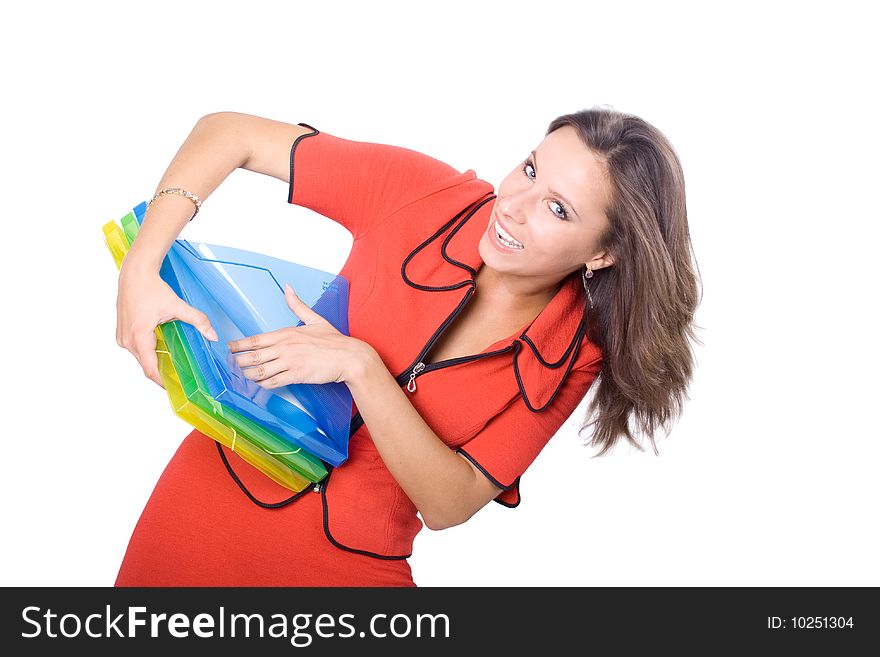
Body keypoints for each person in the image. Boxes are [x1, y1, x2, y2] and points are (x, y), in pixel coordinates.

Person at [113, 107, 701, 586]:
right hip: (205, 509)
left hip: (351, 568)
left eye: (557, 209)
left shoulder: (576, 352)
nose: (514, 209)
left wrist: (360, 366)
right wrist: (142, 268)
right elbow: (230, 133)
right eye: (529, 170)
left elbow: (451, 502)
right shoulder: (425, 196)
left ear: (603, 253)